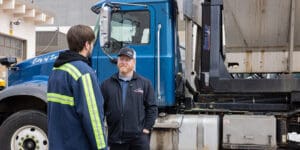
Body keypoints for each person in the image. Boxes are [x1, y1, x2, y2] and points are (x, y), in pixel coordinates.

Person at [47, 24, 106, 150]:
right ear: (86, 45)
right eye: (92, 43)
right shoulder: (84, 72)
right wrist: (102, 147)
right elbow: (93, 116)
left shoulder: (57, 69)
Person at [101, 47, 158, 150]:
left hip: (138, 141)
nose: (123, 62)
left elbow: (152, 108)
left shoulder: (144, 84)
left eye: (127, 60)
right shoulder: (106, 84)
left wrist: (146, 129)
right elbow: (100, 110)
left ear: (134, 62)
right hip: (116, 140)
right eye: (121, 59)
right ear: (117, 61)